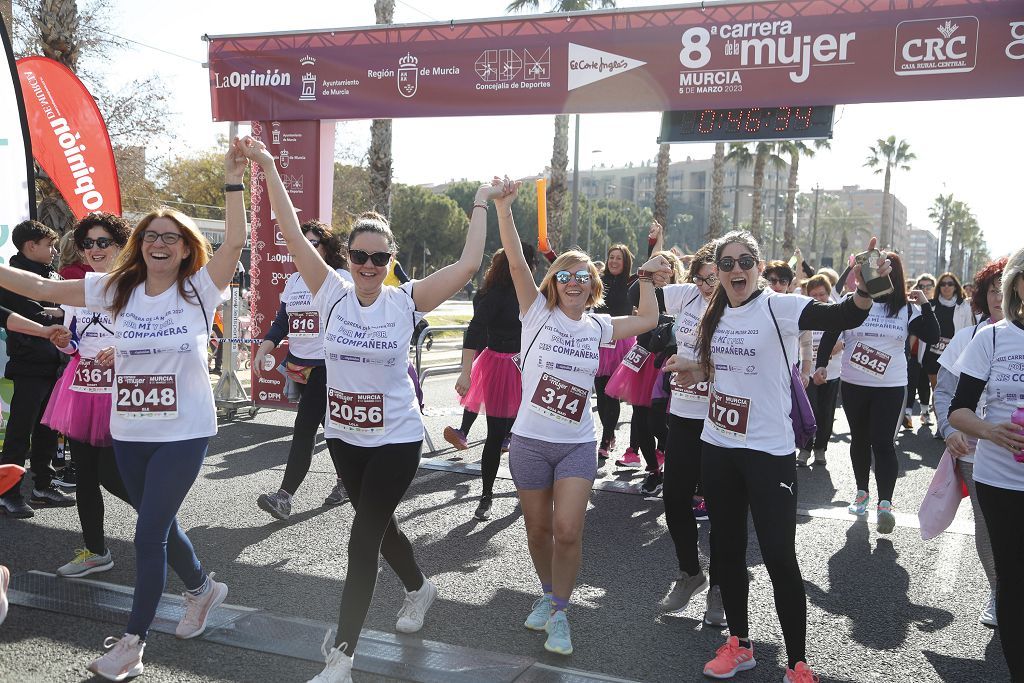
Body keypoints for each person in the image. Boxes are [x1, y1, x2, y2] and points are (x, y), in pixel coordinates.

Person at [0, 137, 248, 679]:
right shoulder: (118, 288)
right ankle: (203, 589)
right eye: (151, 235)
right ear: (140, 244)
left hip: (183, 431)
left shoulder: (200, 291)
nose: (160, 243)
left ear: (185, 248)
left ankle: (133, 643)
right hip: (130, 428)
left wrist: (235, 180)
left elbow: (235, 239)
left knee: (147, 531)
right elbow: (40, 284)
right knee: (156, 521)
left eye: (171, 237)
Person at [246, 139, 493, 683]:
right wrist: (265, 166)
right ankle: (419, 588)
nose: (368, 265)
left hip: (397, 439)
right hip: (344, 437)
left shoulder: (406, 300)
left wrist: (480, 201)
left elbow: (470, 261)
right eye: (359, 255)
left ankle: (343, 656)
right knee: (380, 531)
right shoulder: (329, 292)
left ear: (391, 261)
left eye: (380, 257)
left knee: (361, 537)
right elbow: (289, 230)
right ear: (347, 256)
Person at [665, 230, 885, 682]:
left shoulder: (779, 307)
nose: (736, 269)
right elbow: (720, 365)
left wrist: (866, 284)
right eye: (727, 263)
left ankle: (798, 662)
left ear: (760, 268)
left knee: (779, 555)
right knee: (726, 550)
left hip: (768, 452)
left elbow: (843, 313)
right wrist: (691, 366)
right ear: (718, 272)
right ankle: (740, 644)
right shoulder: (715, 311)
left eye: (746, 261)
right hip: (718, 446)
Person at [495, 178, 671, 657]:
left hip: (576, 443)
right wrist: (505, 208)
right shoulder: (535, 313)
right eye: (565, 275)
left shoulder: (597, 325)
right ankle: (547, 591)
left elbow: (648, 321)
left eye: (582, 276)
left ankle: (559, 611)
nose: (574, 281)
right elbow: (514, 259)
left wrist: (652, 283)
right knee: (538, 532)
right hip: (530, 441)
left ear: (593, 286)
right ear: (554, 282)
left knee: (569, 530)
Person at [39, 213, 134, 578]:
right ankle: (96, 550)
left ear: (120, 246)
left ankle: (163, 526)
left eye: (103, 242)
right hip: (80, 390)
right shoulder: (77, 289)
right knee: (86, 478)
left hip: (121, 393)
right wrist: (66, 341)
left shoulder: (135, 287)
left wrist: (123, 351)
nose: (94, 249)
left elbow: (155, 336)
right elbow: (77, 340)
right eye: (88, 243)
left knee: (112, 474)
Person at [816, 254, 938, 532]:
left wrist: (926, 306)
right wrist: (821, 364)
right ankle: (861, 493)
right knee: (859, 439)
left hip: (890, 387)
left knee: (882, 442)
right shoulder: (855, 303)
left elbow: (932, 334)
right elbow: (831, 331)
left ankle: (885, 503)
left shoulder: (906, 310)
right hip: (854, 384)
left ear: (892, 276)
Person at [949, 246, 1024, 683]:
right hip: (999, 479)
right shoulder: (992, 337)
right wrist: (992, 431)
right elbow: (958, 409)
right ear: (1016, 285)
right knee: (1013, 579)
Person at [254, 220, 353, 520]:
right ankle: (347, 482)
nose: (307, 249)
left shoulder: (339, 277)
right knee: (330, 427)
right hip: (299, 365)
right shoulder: (294, 281)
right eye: (302, 244)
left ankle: (284, 496)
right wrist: (265, 347)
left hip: (328, 366)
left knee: (304, 427)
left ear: (327, 248)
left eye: (314, 243)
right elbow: (283, 321)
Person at [655, 241, 727, 626]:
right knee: (674, 499)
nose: (705, 285)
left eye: (713, 278)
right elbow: (639, 294)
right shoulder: (685, 295)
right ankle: (690, 573)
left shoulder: (737, 304)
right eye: (700, 277)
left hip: (721, 418)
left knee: (721, 507)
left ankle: (719, 588)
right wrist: (653, 257)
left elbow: (743, 362)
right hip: (683, 413)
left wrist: (698, 365)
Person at [933, 257, 1006, 628]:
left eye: (1005, 288)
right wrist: (950, 430)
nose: (999, 296)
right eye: (992, 289)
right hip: (975, 452)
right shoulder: (967, 338)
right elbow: (944, 393)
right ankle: (999, 591)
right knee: (988, 521)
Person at [454, 244, 536, 520]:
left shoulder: (533, 294)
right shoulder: (494, 295)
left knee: (526, 436)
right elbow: (474, 330)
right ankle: (486, 496)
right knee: (497, 436)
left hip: (529, 368)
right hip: (499, 366)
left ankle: (528, 491)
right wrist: (465, 372)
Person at [0, 220, 75, 517]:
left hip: (55, 364)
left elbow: (65, 312)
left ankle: (42, 485)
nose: (55, 251)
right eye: (49, 245)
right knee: (19, 434)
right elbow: (37, 315)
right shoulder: (12, 277)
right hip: (30, 364)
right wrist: (58, 318)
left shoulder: (52, 275)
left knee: (47, 429)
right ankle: (7, 493)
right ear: (31, 245)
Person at [797, 274, 844, 467]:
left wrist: (835, 347)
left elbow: (846, 338)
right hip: (807, 373)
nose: (818, 298)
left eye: (822, 294)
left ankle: (820, 449)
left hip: (831, 373)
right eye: (814, 295)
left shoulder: (838, 311)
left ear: (828, 293)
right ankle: (805, 449)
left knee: (826, 413)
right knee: (810, 411)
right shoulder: (803, 312)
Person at [594, 243, 635, 462]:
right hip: (601, 341)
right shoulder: (599, 280)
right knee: (601, 393)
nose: (614, 261)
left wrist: (653, 242)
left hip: (622, 342)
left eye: (619, 258)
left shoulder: (632, 281)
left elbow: (650, 265)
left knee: (613, 394)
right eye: (611, 257)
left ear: (625, 261)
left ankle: (606, 437)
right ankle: (608, 434)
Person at [918, 272, 973, 426]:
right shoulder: (931, 304)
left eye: (950, 284)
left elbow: (969, 329)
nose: (946, 287)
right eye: (943, 284)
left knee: (953, 392)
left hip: (954, 355)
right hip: (933, 354)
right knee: (938, 391)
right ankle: (941, 424)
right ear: (939, 287)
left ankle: (951, 422)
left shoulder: (964, 306)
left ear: (956, 286)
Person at [904, 273, 936, 428]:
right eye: (921, 287)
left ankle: (925, 413)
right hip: (912, 354)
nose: (925, 289)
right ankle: (907, 414)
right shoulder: (912, 306)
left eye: (928, 286)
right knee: (910, 383)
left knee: (924, 384)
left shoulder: (936, 306)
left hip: (930, 354)